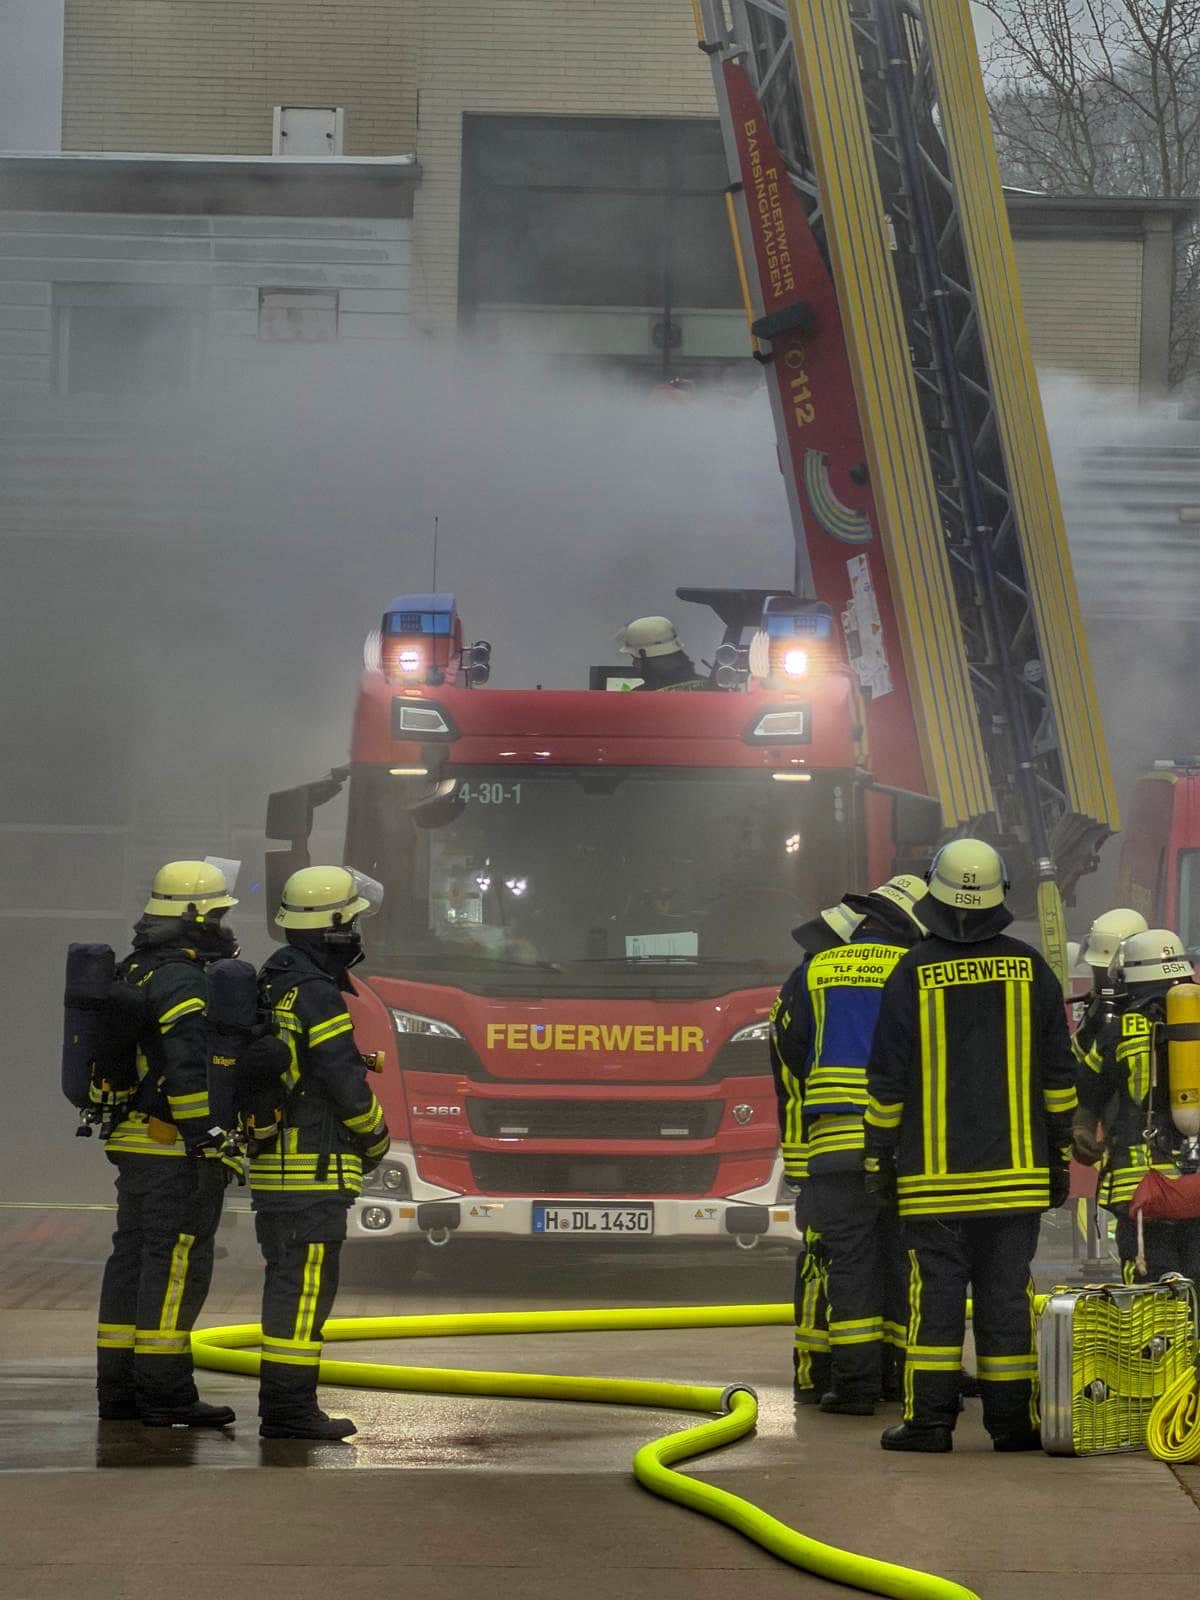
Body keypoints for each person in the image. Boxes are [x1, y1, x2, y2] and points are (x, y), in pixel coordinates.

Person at [864, 839, 1077, 1453]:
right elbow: (1059, 1081)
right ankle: (1012, 1426)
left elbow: (887, 1081)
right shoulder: (1031, 968)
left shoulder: (911, 971)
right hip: (1017, 1179)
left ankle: (929, 1425)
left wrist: (878, 1158)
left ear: (935, 890)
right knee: (1006, 1299)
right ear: (1000, 892)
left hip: (932, 1183)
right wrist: (1058, 1157)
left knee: (934, 1302)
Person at [771, 876, 928, 1414]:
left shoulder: (812, 972)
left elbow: (788, 1067)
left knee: (850, 1265)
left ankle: (855, 1387)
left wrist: (799, 1163)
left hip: (833, 1151)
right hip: (904, 1150)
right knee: (905, 1263)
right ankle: (900, 1380)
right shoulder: (915, 970)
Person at [96, 860, 239, 1427]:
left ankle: (119, 1390)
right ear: (194, 914)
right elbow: (187, 1067)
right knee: (175, 1263)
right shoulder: (182, 977)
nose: (223, 923)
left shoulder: (135, 967)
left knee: (131, 1259)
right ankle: (166, 1393)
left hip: (134, 1138)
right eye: (217, 913)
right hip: (172, 1144)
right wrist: (207, 1138)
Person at [251, 865, 392, 1440]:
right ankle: (290, 1411)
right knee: (304, 1291)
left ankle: (284, 1406)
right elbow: (343, 1081)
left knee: (287, 1283)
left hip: (276, 1167)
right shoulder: (316, 993)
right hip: (312, 1170)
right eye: (351, 922)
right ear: (332, 927)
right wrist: (376, 1137)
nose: (356, 933)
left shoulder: (274, 979)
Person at [1073, 927, 1197, 1281]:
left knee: (1153, 1289)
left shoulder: (1117, 1032)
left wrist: (1081, 1130)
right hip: (1196, 1184)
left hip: (1141, 1189)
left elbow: (1084, 1088)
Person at [616, 616, 709, 691]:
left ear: (645, 655)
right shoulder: (710, 689)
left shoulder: (638, 699)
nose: (634, 664)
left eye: (635, 658)